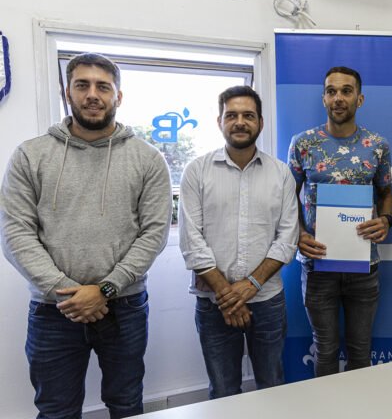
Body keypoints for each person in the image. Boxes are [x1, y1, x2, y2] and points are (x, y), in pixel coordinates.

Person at [0, 53, 172, 418]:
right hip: (53, 309)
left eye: (103, 87)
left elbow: (154, 234)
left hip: (124, 307)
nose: (92, 94)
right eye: (82, 85)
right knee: (56, 410)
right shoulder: (31, 155)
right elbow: (16, 233)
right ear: (67, 93)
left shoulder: (148, 159)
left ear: (118, 96)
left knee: (126, 405)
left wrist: (104, 290)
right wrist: (69, 292)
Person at [178, 86, 298, 398]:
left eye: (248, 115)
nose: (240, 122)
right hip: (214, 304)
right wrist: (227, 294)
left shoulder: (281, 174)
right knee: (223, 390)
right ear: (219, 121)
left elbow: (287, 238)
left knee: (272, 386)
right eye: (231, 115)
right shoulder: (196, 171)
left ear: (261, 122)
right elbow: (191, 240)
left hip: (267, 301)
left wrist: (251, 285)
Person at [287, 66, 392, 376]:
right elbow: (286, 197)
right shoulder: (303, 143)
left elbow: (386, 194)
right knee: (325, 349)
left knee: (361, 350)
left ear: (359, 99)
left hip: (363, 266)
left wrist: (386, 219)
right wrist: (299, 233)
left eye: (346, 91)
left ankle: (358, 402)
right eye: (331, 91)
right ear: (323, 98)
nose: (338, 98)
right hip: (318, 265)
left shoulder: (377, 145)